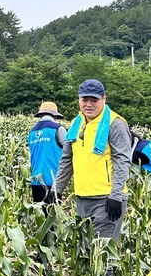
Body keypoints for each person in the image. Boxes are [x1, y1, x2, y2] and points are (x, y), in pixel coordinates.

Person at [55, 79, 132, 240]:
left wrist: (116, 196)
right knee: (86, 252)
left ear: (104, 98)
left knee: (102, 253)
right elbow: (67, 159)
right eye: (84, 100)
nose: (88, 104)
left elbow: (122, 161)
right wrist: (57, 190)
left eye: (94, 100)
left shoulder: (115, 124)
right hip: (82, 197)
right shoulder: (77, 123)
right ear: (79, 99)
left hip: (107, 199)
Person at [26, 101, 64, 204]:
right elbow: (68, 150)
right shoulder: (58, 129)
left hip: (36, 180)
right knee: (53, 216)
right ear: (54, 115)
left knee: (40, 217)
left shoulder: (31, 133)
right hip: (53, 180)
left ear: (40, 115)